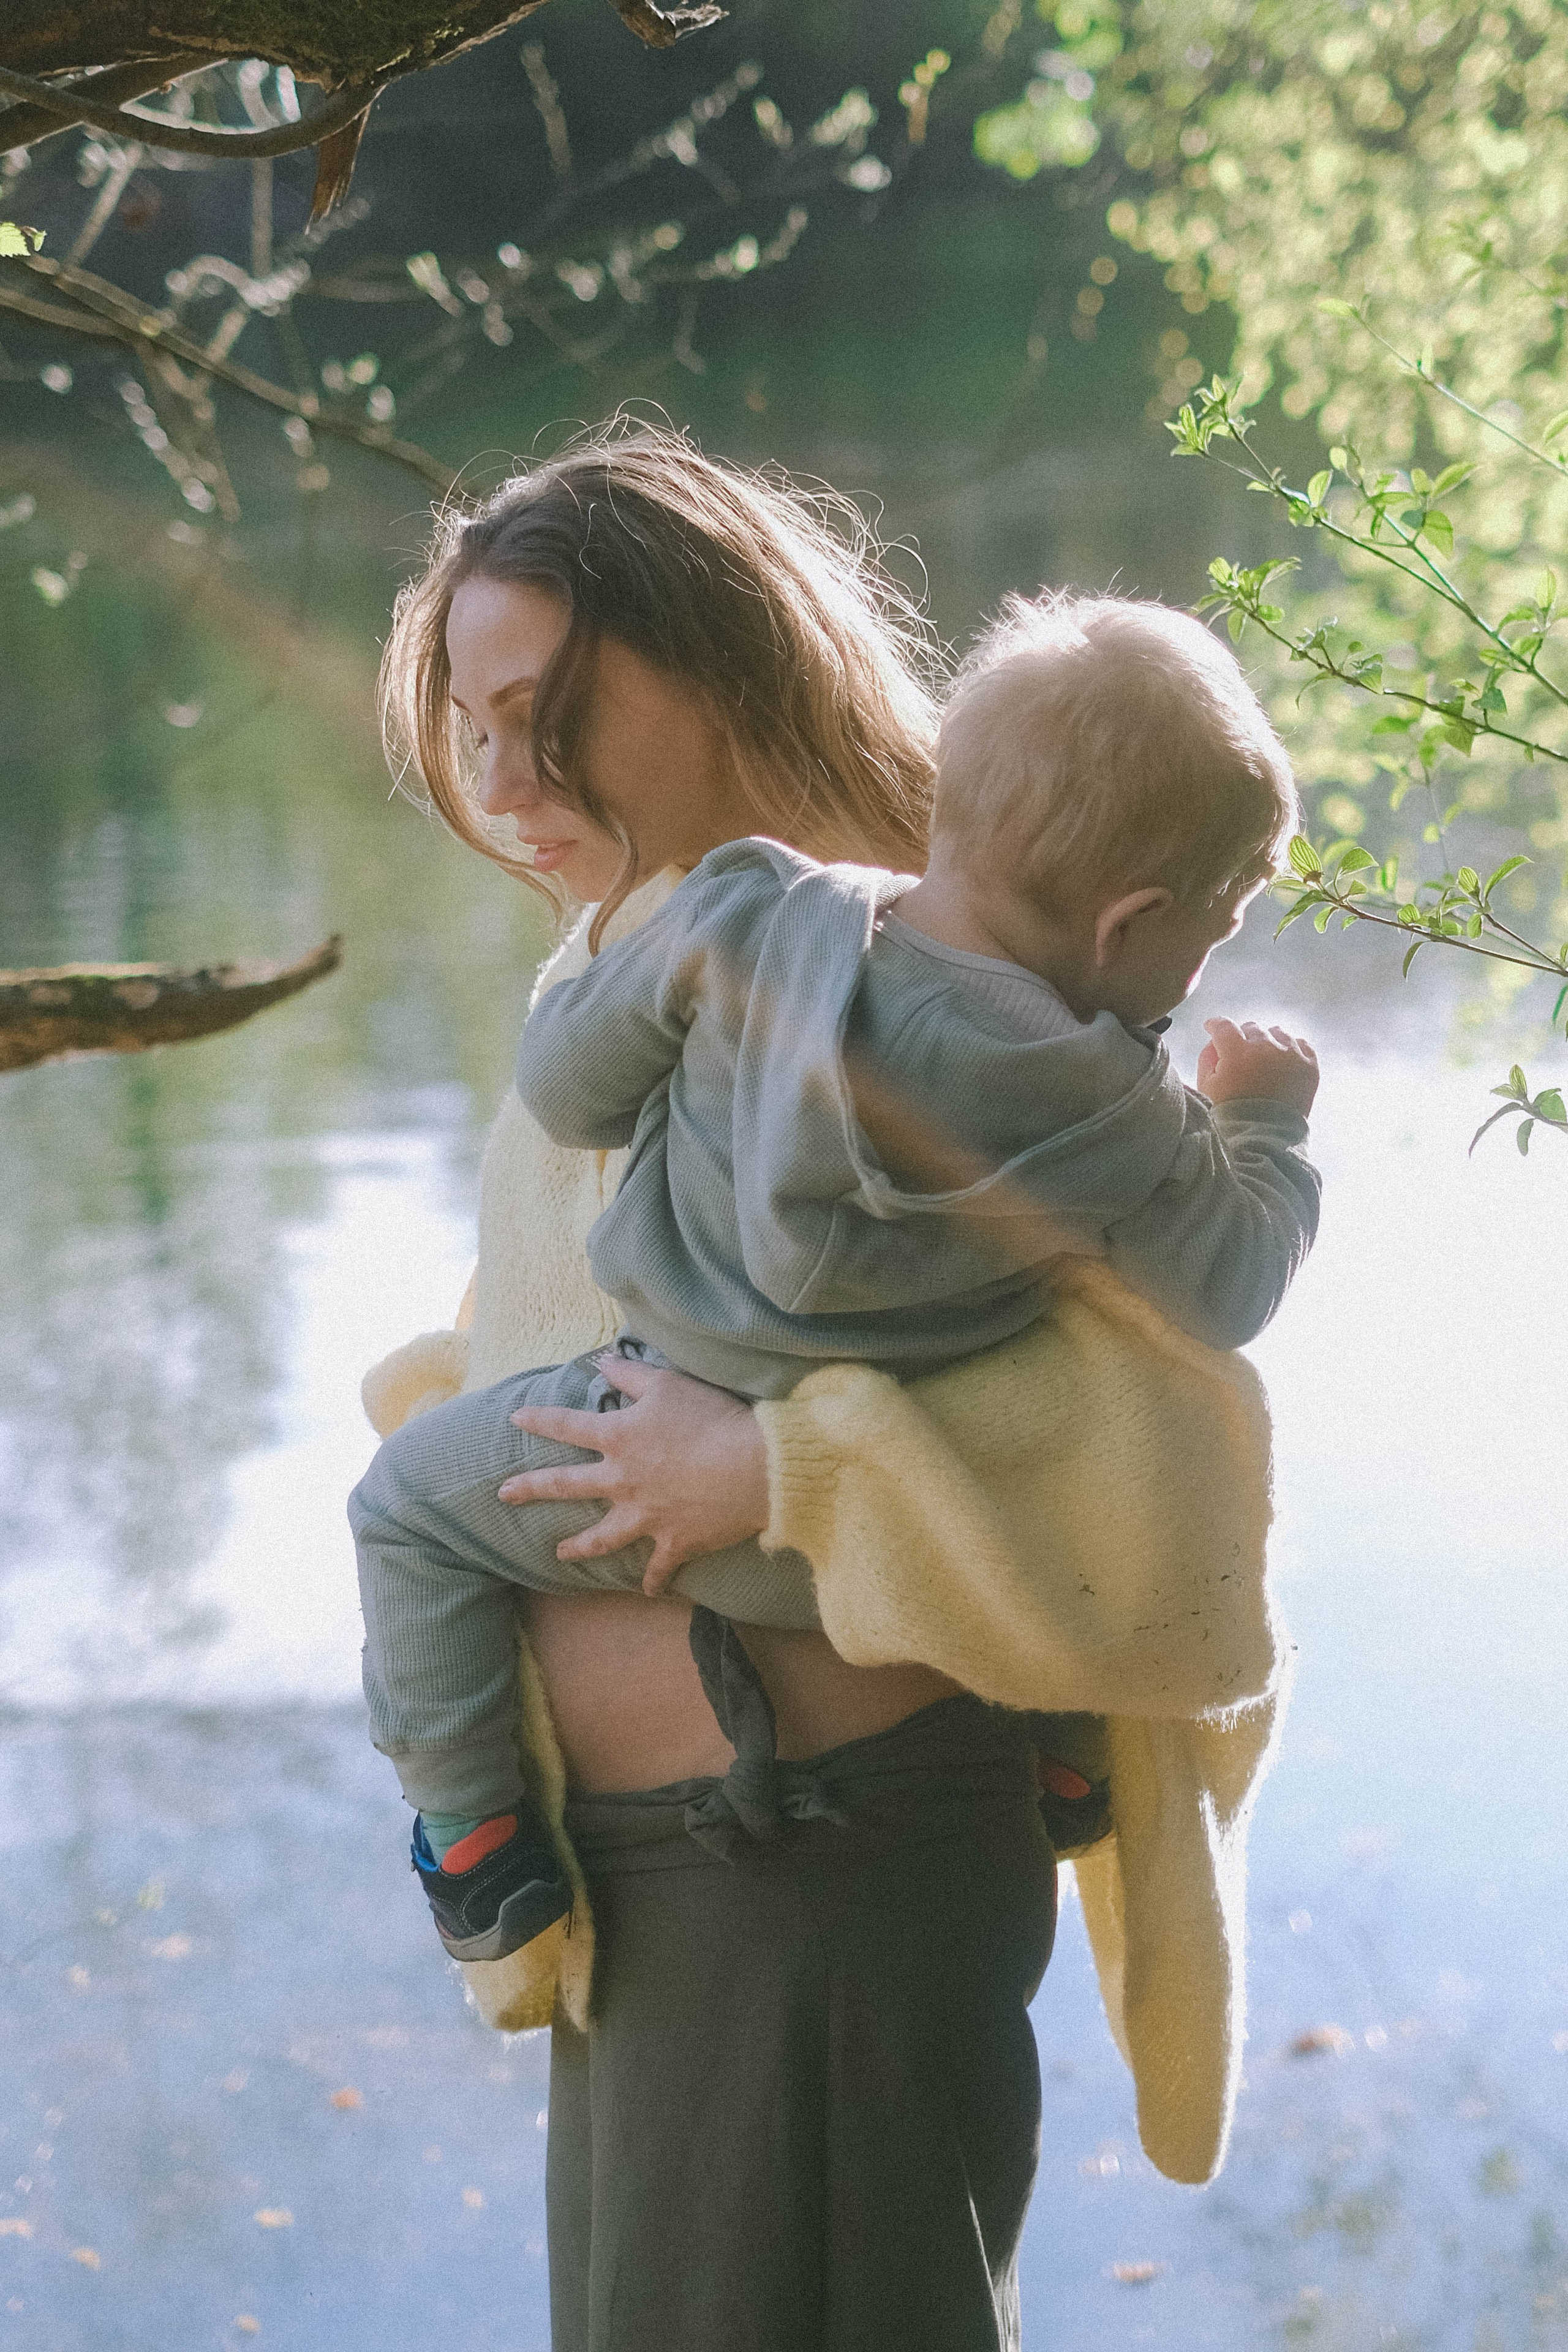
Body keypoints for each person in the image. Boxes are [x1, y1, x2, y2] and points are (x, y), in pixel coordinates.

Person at [349, 593, 1320, 1981]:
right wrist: (1265, 1130)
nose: (1201, 959)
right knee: (1062, 1418)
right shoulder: (1115, 1111)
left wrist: (658, 966)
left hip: (650, 1459)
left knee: (402, 1514)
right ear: (1129, 923)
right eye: (1214, 930)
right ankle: (1062, 1754)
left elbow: (566, 1093)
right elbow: (1223, 1291)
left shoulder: (743, 913)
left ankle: (470, 1839)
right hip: (900, 1555)